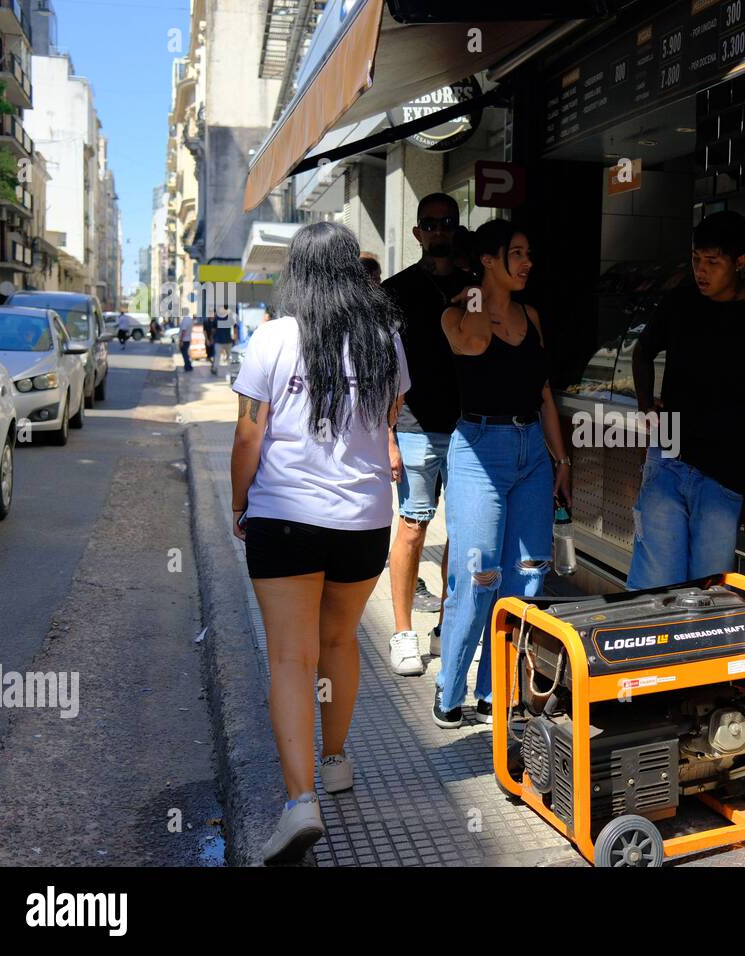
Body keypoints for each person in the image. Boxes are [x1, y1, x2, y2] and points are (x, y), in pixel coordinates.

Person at [229, 221, 410, 864]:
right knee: (339, 642)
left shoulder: (274, 338)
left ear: (297, 273)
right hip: (363, 523)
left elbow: (250, 436)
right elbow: (389, 419)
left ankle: (300, 801)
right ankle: (335, 762)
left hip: (285, 521)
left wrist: (238, 500)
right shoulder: (385, 338)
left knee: (290, 658)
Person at [437, 218, 571, 729]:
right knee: (478, 577)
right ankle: (449, 691)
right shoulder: (456, 314)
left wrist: (560, 461)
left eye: (528, 254)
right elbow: (472, 345)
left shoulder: (532, 316)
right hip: (478, 449)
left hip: (532, 450)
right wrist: (475, 292)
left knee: (528, 574)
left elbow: (544, 395)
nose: (527, 263)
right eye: (516, 254)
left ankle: (497, 691)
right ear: (488, 260)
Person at [626, 211, 745, 589]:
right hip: (668, 461)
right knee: (656, 587)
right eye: (697, 259)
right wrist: (646, 406)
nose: (701, 270)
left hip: (723, 475)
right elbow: (642, 351)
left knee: (707, 590)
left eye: (713, 262)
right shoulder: (680, 302)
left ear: (740, 262)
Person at [382, 194, 473, 677]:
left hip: (469, 427)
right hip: (415, 426)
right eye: (430, 224)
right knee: (413, 525)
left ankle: (445, 627)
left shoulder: (474, 288)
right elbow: (382, 368)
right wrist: (388, 436)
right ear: (417, 232)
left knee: (461, 532)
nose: (439, 231)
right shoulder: (396, 290)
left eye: (448, 223)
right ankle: (402, 633)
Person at [212, 310, 237, 377]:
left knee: (217, 356)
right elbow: (235, 326)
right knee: (229, 357)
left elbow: (213, 329)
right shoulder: (230, 317)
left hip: (219, 340)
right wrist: (235, 335)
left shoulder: (217, 318)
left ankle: (215, 368)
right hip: (228, 340)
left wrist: (212, 337)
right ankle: (230, 370)